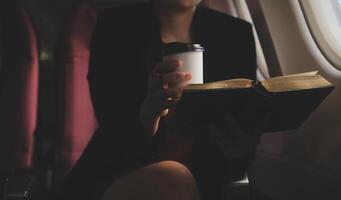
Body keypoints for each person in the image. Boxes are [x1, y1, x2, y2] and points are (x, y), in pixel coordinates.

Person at [54, 0, 268, 200]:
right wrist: (147, 116)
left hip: (205, 180)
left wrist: (239, 150)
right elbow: (113, 131)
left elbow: (235, 149)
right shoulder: (117, 26)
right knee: (171, 179)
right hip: (117, 173)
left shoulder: (235, 34)